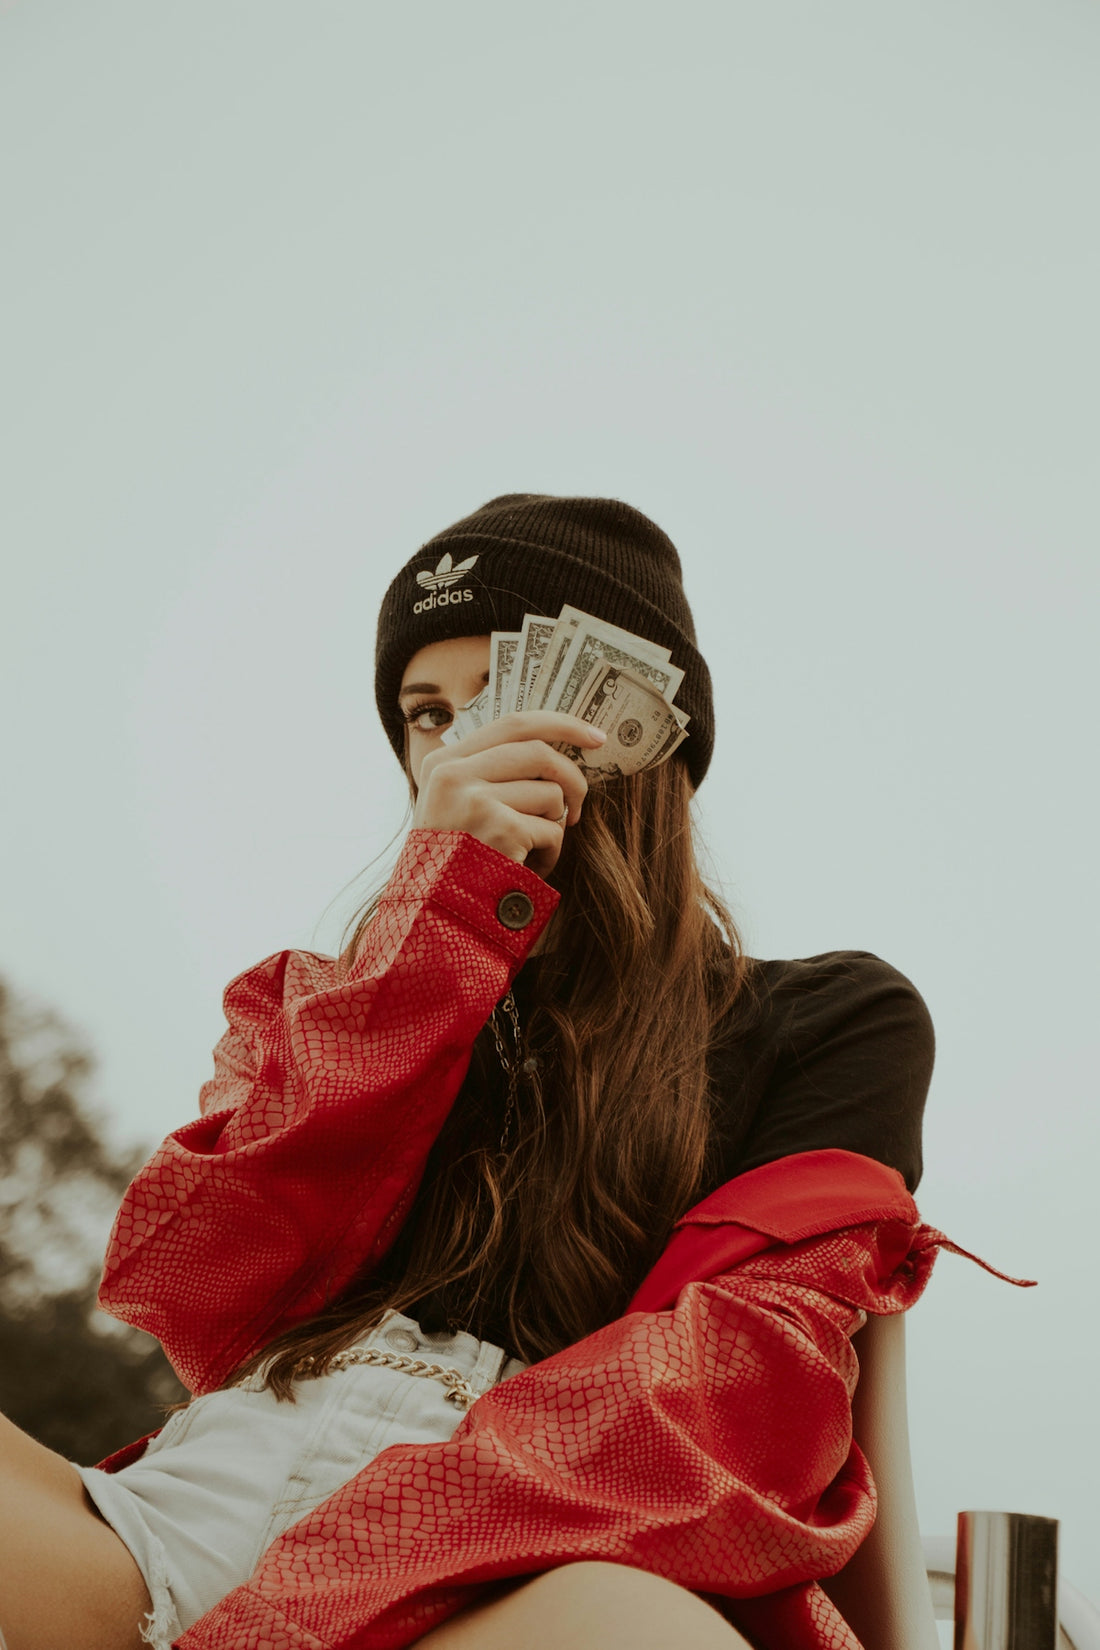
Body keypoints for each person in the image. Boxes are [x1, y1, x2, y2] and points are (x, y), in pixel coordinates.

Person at [0, 495, 950, 1650]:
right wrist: (432, 932)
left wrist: (308, 1596)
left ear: (645, 731)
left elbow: (735, 1393)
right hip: (194, 1511)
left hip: (518, 1566)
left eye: (506, 695)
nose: (462, 744)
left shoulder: (830, 1015)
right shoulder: (323, 995)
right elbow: (197, 1295)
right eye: (427, 714)